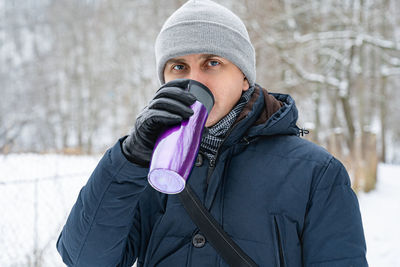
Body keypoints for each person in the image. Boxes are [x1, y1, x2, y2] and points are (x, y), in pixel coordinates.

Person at [56, 0, 368, 266]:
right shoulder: (149, 166)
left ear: (244, 76)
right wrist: (128, 159)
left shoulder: (317, 174)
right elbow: (84, 258)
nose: (195, 81)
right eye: (178, 67)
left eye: (212, 63)